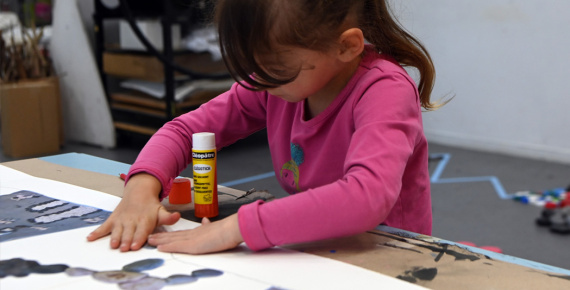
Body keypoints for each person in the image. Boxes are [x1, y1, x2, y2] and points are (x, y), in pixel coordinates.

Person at [87, 0, 440, 254]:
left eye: (274, 67)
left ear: (346, 46)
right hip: (318, 246)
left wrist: (237, 227)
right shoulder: (275, 85)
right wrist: (140, 191)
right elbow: (186, 130)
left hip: (390, 253)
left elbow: (366, 197)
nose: (258, 81)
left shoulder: (384, 90)